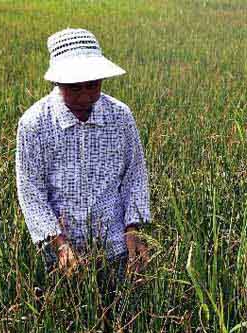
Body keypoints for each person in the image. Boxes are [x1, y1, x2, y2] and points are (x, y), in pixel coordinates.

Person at [15, 28, 152, 296]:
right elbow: (31, 193)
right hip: (60, 253)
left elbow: (134, 174)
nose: (85, 96)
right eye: (74, 88)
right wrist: (60, 245)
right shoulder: (34, 124)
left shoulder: (120, 117)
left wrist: (133, 230)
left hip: (115, 249)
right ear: (57, 83)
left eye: (93, 85)